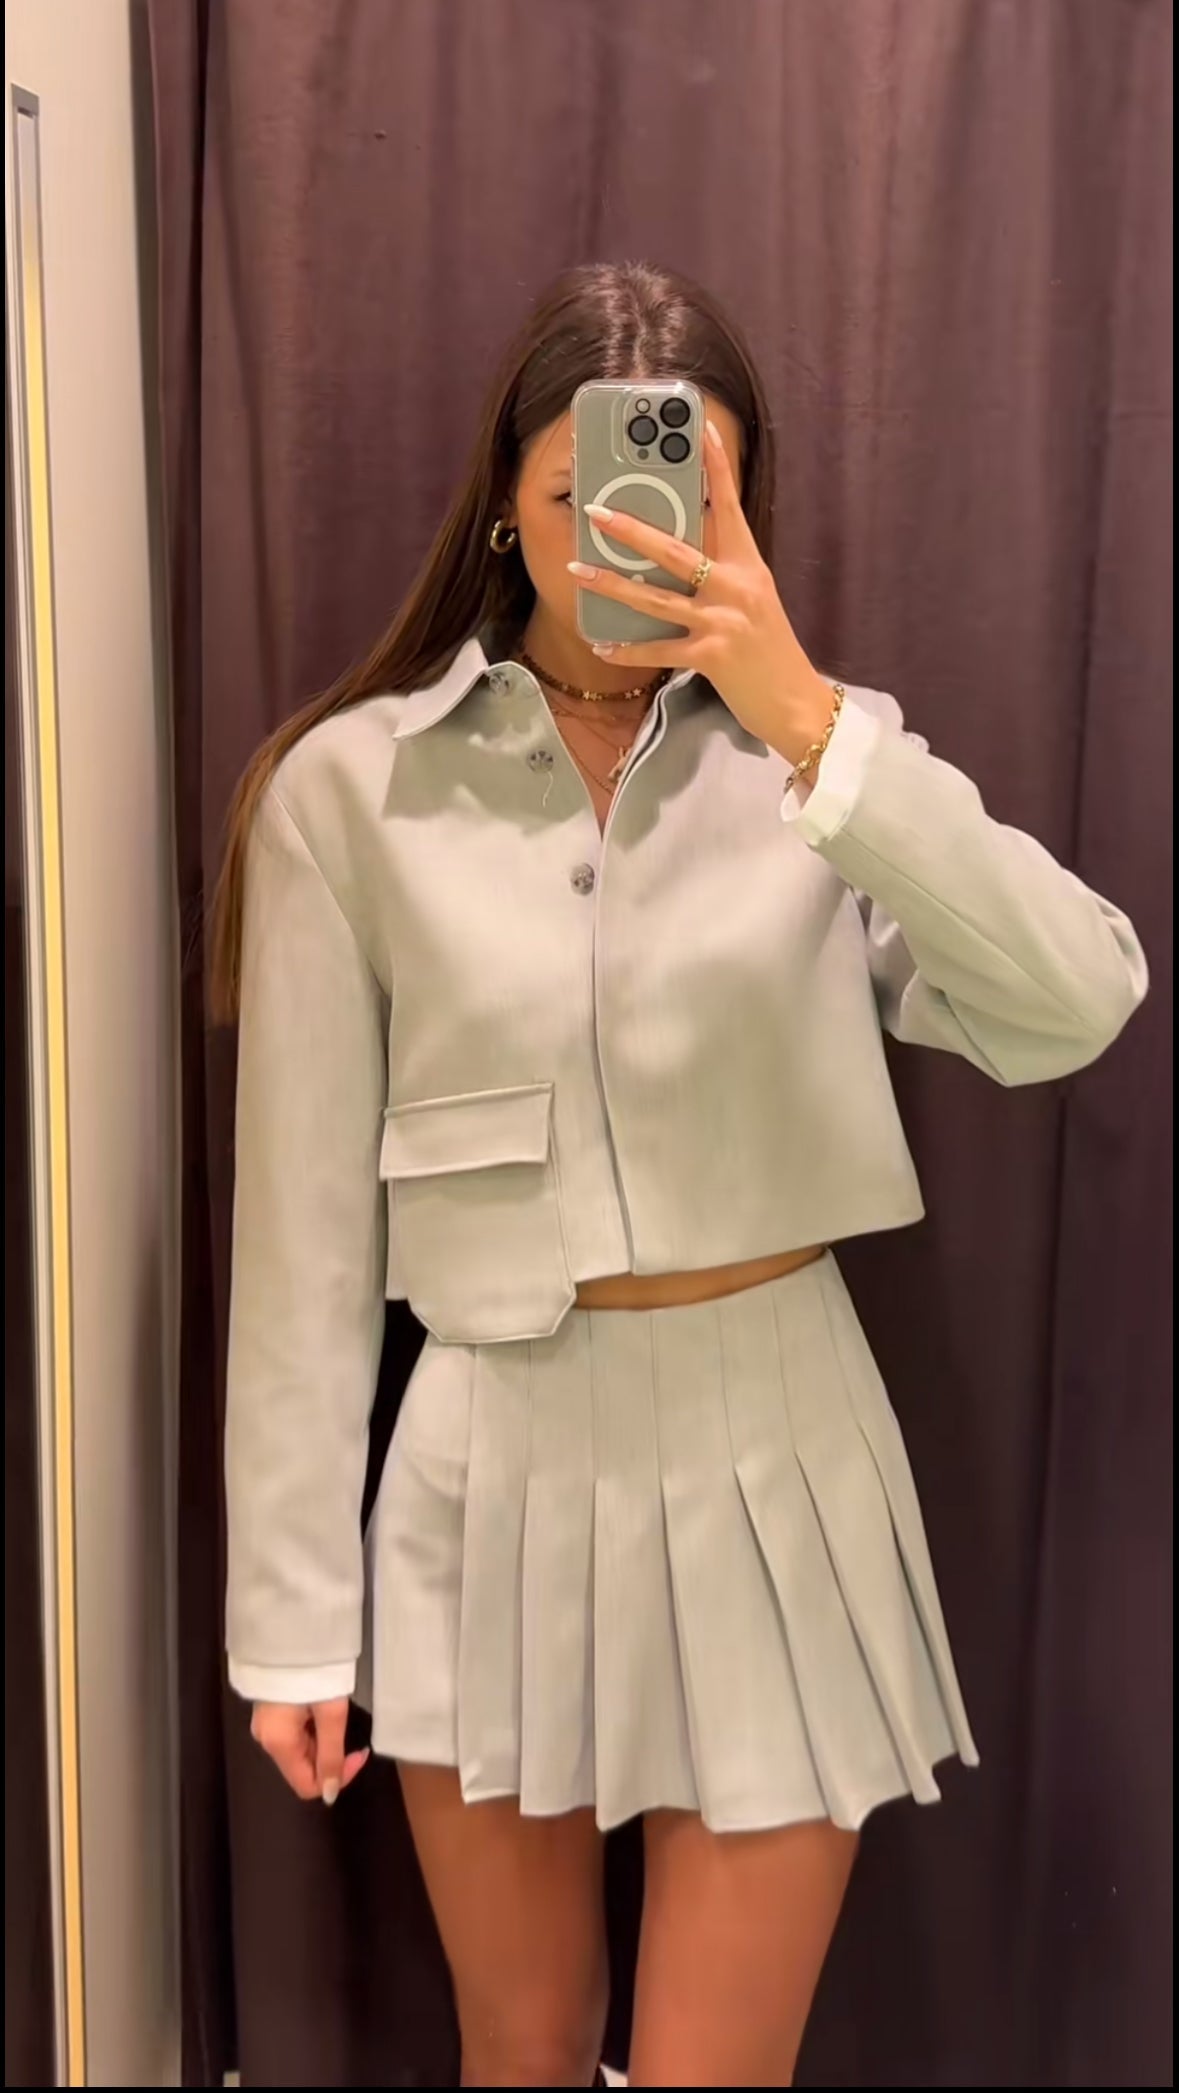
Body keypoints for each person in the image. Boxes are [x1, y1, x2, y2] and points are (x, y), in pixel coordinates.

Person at [212, 262, 1147, 2088]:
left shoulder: (824, 769)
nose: (625, 536)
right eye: (585, 495)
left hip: (778, 1457)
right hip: (489, 1462)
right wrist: (290, 1621)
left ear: (738, 513)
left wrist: (810, 723)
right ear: (508, 504)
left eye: (678, 496)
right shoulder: (351, 794)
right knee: (523, 2049)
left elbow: (1078, 999)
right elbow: (302, 1244)